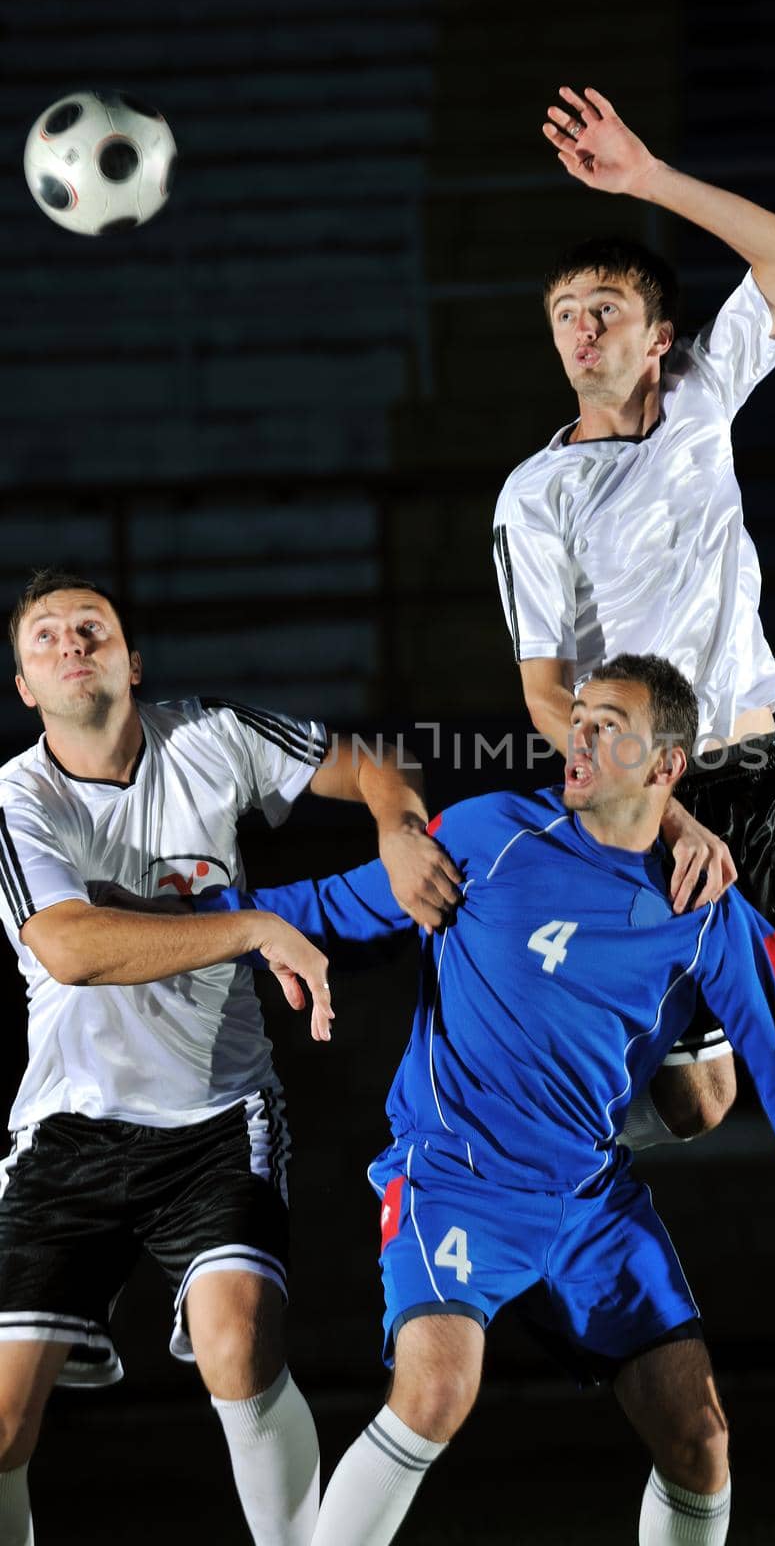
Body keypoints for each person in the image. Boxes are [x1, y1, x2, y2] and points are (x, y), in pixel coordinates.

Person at [192, 652, 775, 1546]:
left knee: (698, 1440)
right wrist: (189, 921)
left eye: (607, 724)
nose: (576, 736)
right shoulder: (487, 835)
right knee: (435, 1390)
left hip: (587, 1201)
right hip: (454, 1177)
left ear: (665, 769)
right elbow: (322, 907)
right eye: (577, 718)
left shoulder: (711, 915)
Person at [0, 568, 461, 1546]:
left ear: (133, 658)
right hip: (67, 1135)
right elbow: (73, 947)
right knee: (3, 1419)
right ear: (25, 687)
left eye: (93, 626)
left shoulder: (211, 735)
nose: (71, 642)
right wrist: (253, 925)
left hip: (216, 1117)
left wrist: (395, 825)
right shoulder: (18, 796)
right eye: (44, 637)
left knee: (236, 1345)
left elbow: (371, 761)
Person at [491, 86, 775, 1138]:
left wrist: (646, 178)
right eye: (564, 316)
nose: (581, 330)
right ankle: (647, 1011)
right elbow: (543, 691)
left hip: (750, 768)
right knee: (696, 1108)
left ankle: (740, 956)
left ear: (658, 334)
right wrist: (654, 812)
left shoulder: (704, 396)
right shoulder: (534, 493)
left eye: (605, 311)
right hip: (637, 799)